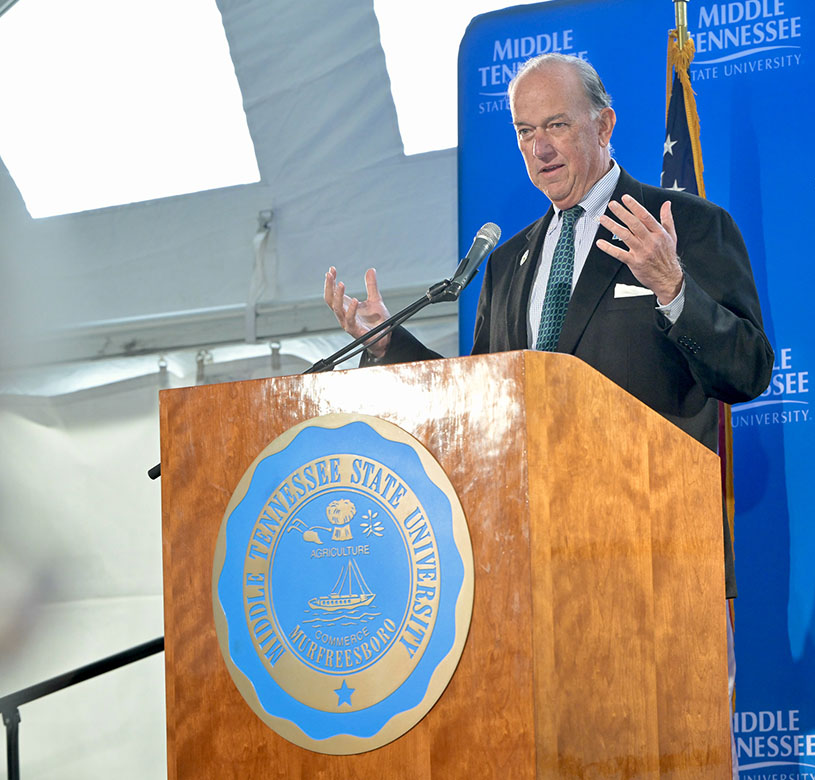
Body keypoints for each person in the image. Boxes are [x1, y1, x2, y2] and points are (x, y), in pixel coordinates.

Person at [324, 53, 773, 600]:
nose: (540, 148)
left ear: (604, 124)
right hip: (532, 557)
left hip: (654, 550)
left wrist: (673, 288)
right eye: (524, 131)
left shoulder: (686, 227)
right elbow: (480, 399)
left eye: (556, 125)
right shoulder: (506, 262)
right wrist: (388, 343)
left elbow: (747, 372)